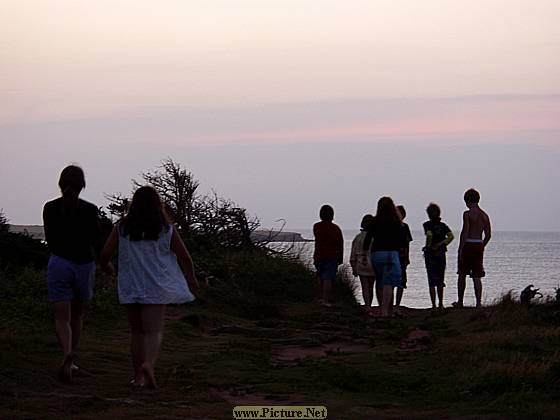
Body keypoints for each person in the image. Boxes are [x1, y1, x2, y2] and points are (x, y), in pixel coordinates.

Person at [100, 186, 199, 388]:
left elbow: (104, 255)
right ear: (158, 205)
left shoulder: (122, 228)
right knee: (153, 332)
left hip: (130, 286)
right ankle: (149, 365)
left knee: (137, 333)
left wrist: (108, 269)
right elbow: (185, 257)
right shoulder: (166, 229)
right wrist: (191, 279)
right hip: (156, 286)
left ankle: (138, 377)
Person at [43, 165, 103, 383]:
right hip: (83, 266)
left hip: (59, 263)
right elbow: (97, 241)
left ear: (61, 184)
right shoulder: (90, 209)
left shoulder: (49, 208)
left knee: (62, 317)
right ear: (82, 185)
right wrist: (106, 263)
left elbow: (50, 240)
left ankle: (66, 352)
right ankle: (72, 359)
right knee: (77, 316)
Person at [366, 197, 408, 318]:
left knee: (379, 281)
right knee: (388, 283)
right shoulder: (396, 222)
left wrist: (364, 252)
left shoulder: (375, 221)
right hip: (391, 254)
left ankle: (381, 309)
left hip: (376, 254)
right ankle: (386, 311)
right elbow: (403, 241)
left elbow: (368, 238)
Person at [456, 188, 491, 308]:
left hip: (468, 244)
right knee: (477, 275)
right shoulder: (484, 216)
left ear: (467, 201)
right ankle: (478, 303)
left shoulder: (467, 214)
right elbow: (488, 234)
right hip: (478, 244)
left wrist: (460, 248)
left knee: (462, 274)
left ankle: (460, 301)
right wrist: (482, 245)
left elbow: (465, 231)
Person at [422, 203, 454, 309]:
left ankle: (433, 305)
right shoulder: (443, 226)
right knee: (440, 279)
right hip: (441, 253)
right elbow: (451, 236)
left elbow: (429, 235)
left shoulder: (427, 225)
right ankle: (441, 304)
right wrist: (441, 244)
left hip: (431, 254)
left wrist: (428, 246)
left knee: (431, 279)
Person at [313, 204, 344, 307]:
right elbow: (340, 244)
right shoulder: (336, 228)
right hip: (332, 256)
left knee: (320, 276)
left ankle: (320, 297)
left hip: (319, 255)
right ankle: (326, 299)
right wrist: (340, 257)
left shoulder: (316, 227)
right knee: (328, 278)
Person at [349, 214, 379, 313]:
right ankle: (371, 304)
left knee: (365, 286)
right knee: (372, 286)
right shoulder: (376, 237)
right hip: (373, 263)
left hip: (361, 263)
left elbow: (353, 254)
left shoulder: (358, 237)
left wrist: (353, 267)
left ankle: (367, 306)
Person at [395, 205, 413, 311]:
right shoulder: (393, 227)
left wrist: (407, 257)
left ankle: (397, 303)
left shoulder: (405, 227)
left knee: (401, 280)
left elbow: (407, 244)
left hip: (401, 256)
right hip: (396, 255)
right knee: (395, 279)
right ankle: (394, 303)